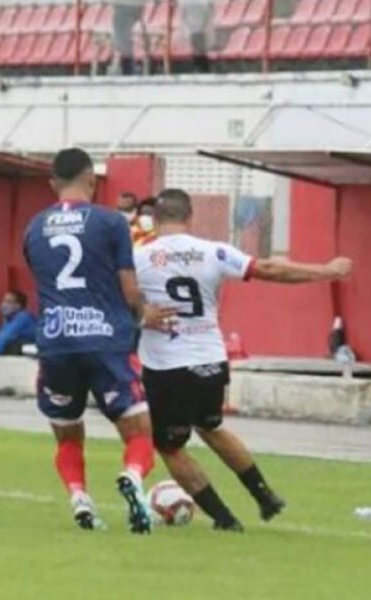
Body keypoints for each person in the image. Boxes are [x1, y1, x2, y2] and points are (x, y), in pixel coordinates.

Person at [135, 189, 353, 531]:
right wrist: (325, 271)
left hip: (168, 366)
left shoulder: (140, 257)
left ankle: (225, 519)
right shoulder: (214, 251)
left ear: (155, 220)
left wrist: (141, 315)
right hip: (211, 360)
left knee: (169, 445)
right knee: (211, 427)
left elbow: (110, 297)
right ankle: (264, 495)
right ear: (189, 217)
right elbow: (268, 268)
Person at [23, 148, 173, 533]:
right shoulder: (110, 222)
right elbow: (127, 286)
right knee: (139, 434)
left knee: (67, 434)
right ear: (92, 180)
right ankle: (134, 478)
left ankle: (80, 498)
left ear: (52, 183)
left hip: (56, 342)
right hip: (105, 340)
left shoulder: (34, 227)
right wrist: (144, 315)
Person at [0, 290, 37, 356]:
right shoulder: (9, 320)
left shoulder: (23, 317)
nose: (3, 305)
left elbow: (2, 340)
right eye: (3, 301)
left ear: (18, 305)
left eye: (8, 302)